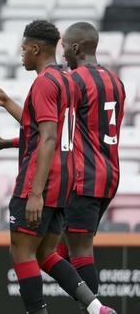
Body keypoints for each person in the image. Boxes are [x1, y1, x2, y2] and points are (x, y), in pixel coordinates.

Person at [0, 20, 116, 314]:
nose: (22, 54)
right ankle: (95, 307)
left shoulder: (43, 83)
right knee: (46, 253)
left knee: (21, 252)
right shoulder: (67, 80)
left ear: (36, 48)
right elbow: (43, 129)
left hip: (40, 181)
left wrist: (35, 192)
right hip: (65, 180)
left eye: (24, 48)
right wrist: (7, 109)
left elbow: (49, 137)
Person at [60, 22, 126, 306]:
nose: (62, 53)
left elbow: (53, 130)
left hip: (84, 177)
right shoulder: (116, 81)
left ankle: (96, 309)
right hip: (109, 174)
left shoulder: (74, 81)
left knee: (79, 250)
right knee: (55, 252)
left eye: (64, 47)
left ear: (75, 48)